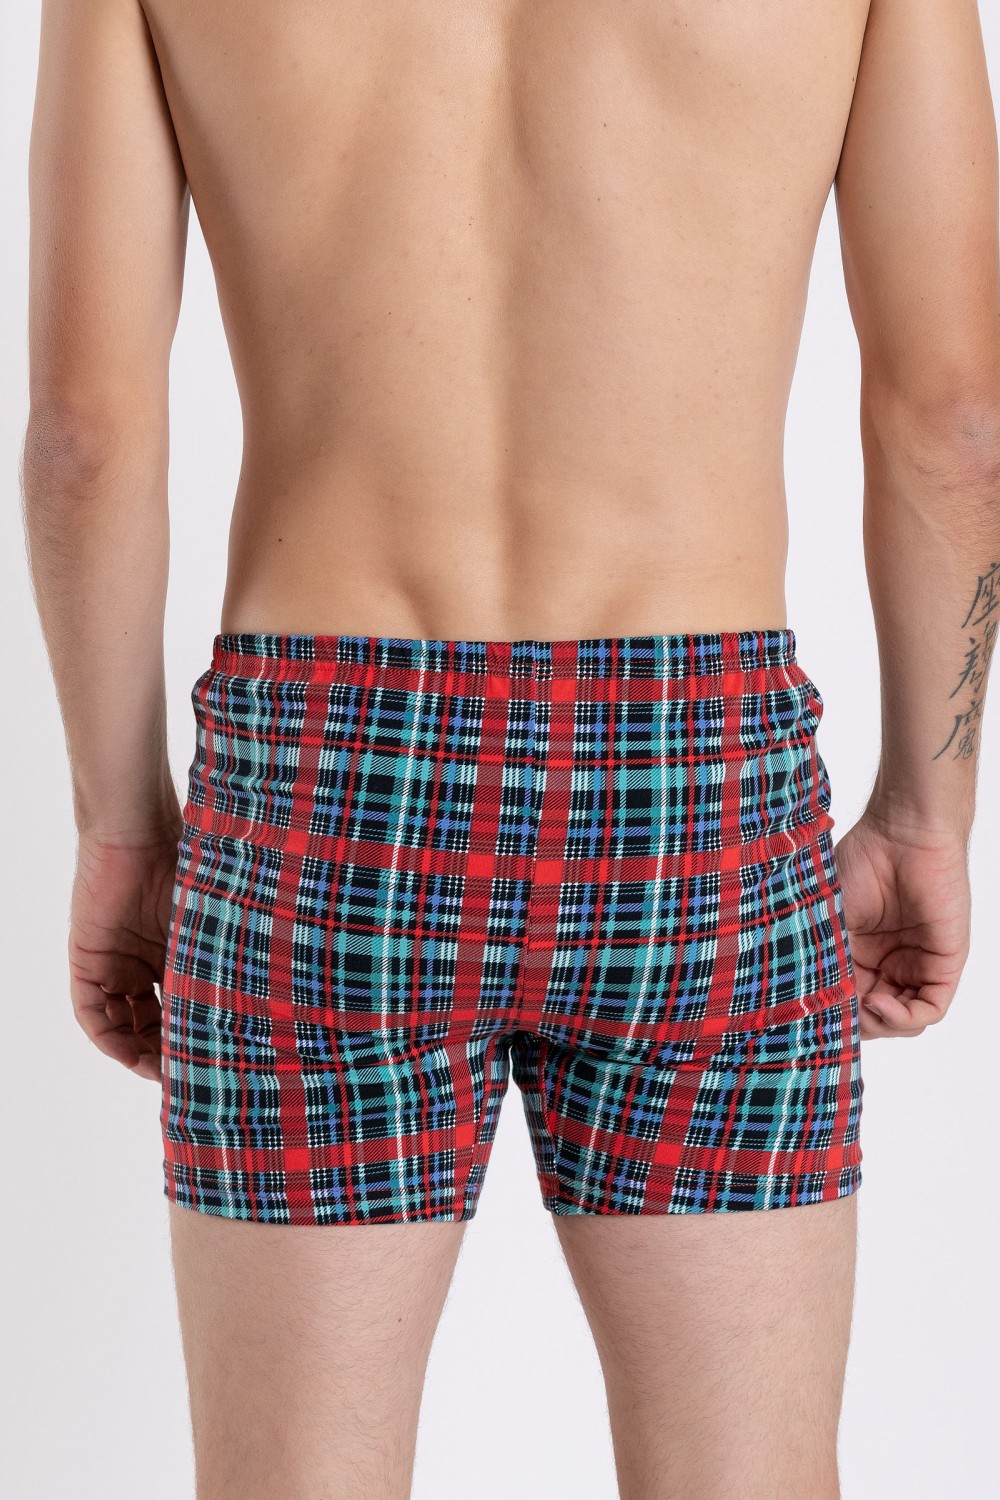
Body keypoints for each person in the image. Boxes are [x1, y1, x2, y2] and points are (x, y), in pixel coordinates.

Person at [21, 0, 998, 1495]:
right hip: (697, 780)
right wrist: (931, 811)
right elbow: (958, 421)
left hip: (324, 781)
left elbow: (82, 437)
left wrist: (120, 823)